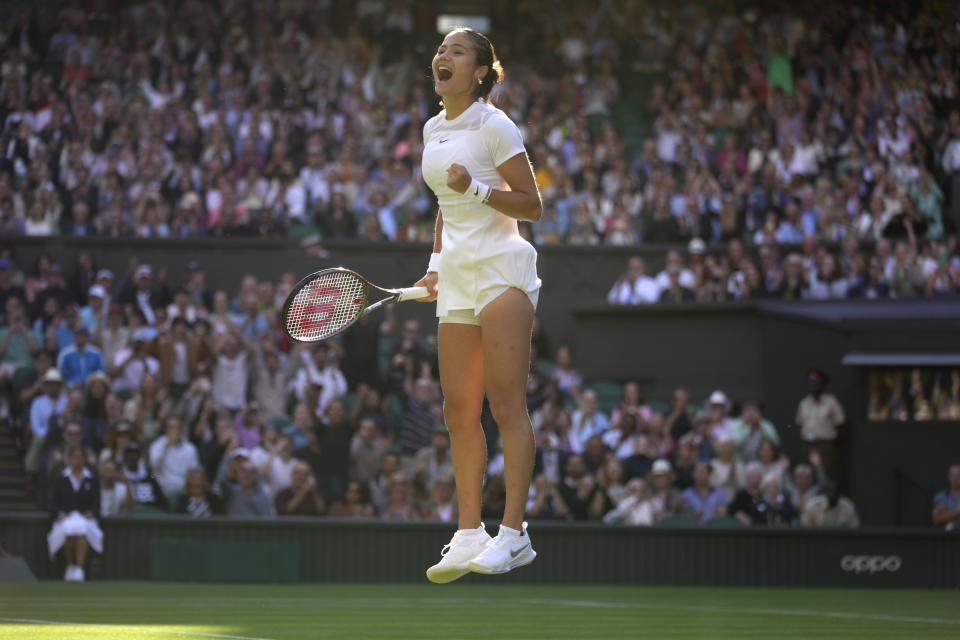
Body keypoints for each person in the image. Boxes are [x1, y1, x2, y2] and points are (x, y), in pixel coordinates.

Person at [412, 28, 543, 582]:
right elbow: (445, 205)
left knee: (505, 404)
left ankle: (513, 535)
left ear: (482, 72)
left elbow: (532, 206)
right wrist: (437, 265)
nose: (443, 56)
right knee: (458, 410)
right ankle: (469, 534)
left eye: (457, 51)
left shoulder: (495, 125)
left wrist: (478, 190)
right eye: (442, 49)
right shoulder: (432, 128)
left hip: (502, 268)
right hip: (460, 273)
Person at [47, 447, 103, 581]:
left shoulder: (92, 478)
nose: (77, 460)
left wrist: (90, 513)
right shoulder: (61, 478)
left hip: (85, 518)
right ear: (69, 459)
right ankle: (70, 566)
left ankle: (79, 568)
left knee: (82, 530)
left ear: (84, 459)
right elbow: (53, 503)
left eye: (80, 457)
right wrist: (60, 515)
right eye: (74, 457)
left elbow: (97, 504)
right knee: (68, 530)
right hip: (66, 517)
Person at [794, 368, 845, 481]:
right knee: (805, 477)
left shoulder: (831, 402)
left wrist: (831, 445)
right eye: (812, 384)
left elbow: (840, 425)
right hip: (808, 446)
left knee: (825, 477)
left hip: (825, 446)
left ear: (823, 385)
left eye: (817, 384)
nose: (814, 387)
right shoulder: (804, 403)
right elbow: (800, 424)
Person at [932, 463, 960, 531]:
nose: (955, 479)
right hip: (946, 537)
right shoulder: (941, 496)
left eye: (958, 476)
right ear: (948, 476)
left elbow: (942, 517)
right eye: (952, 475)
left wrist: (947, 514)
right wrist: (957, 512)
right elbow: (937, 519)